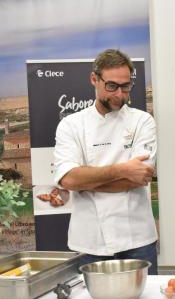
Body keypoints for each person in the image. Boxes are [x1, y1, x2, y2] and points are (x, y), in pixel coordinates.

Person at [53, 49, 158, 274]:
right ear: (94, 79)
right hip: (90, 240)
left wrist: (87, 181)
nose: (120, 95)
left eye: (126, 86)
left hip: (137, 238)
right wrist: (123, 170)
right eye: (111, 86)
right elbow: (69, 179)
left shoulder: (143, 121)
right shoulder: (71, 125)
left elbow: (139, 177)